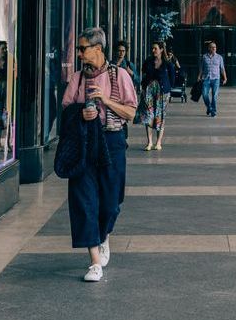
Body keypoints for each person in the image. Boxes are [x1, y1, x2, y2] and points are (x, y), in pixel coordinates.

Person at [60, 27, 138, 282]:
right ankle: (94, 261)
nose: (80, 53)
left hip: (112, 142)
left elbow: (131, 113)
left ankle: (103, 235)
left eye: (83, 48)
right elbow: (66, 110)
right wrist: (81, 113)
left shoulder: (121, 76)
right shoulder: (77, 79)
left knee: (110, 203)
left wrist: (106, 100)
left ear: (98, 49)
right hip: (85, 146)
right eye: (79, 49)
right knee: (84, 200)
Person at [137, 42, 173, 150]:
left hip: (162, 92)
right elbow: (144, 74)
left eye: (155, 48)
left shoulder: (167, 63)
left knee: (160, 116)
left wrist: (168, 90)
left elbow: (172, 78)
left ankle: (158, 142)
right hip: (149, 91)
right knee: (148, 115)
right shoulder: (148, 61)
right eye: (152, 48)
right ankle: (149, 142)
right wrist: (143, 89)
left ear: (161, 49)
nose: (153, 50)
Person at [199, 41, 226, 117]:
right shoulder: (204, 57)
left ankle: (213, 111)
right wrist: (199, 76)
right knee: (204, 95)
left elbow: (222, 68)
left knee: (214, 96)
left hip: (216, 79)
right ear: (209, 48)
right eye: (212, 47)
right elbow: (201, 68)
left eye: (215, 47)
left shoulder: (219, 57)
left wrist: (225, 78)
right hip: (206, 78)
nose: (214, 48)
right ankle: (209, 107)